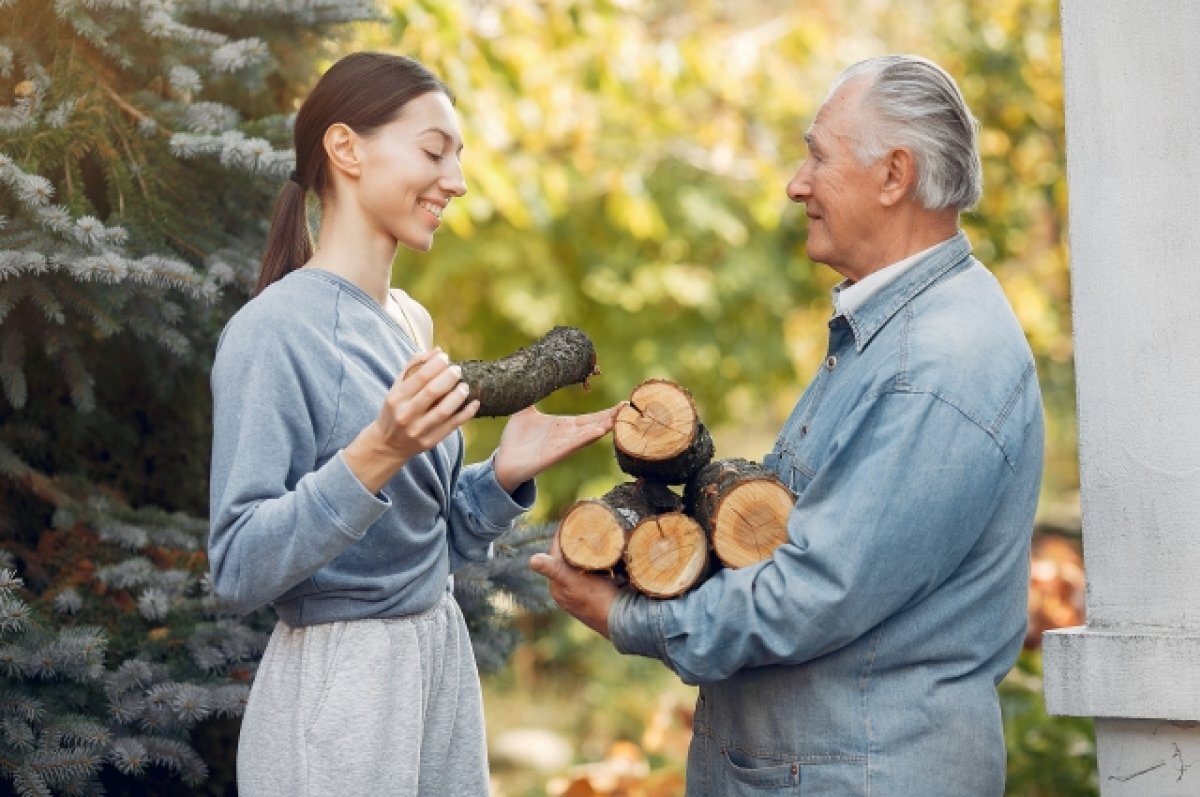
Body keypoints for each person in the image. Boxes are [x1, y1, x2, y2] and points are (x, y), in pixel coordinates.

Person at [531, 54, 1044, 797]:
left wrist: (625, 618)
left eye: (817, 155)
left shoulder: (933, 365)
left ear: (894, 175)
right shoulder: (893, 332)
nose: (796, 183)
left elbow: (812, 594)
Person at [208, 52, 619, 796]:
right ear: (346, 149)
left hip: (434, 661)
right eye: (434, 150)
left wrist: (499, 477)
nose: (456, 181)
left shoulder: (408, 319)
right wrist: (379, 449)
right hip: (343, 692)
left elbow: (417, 546)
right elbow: (237, 567)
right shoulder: (271, 333)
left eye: (459, 157)